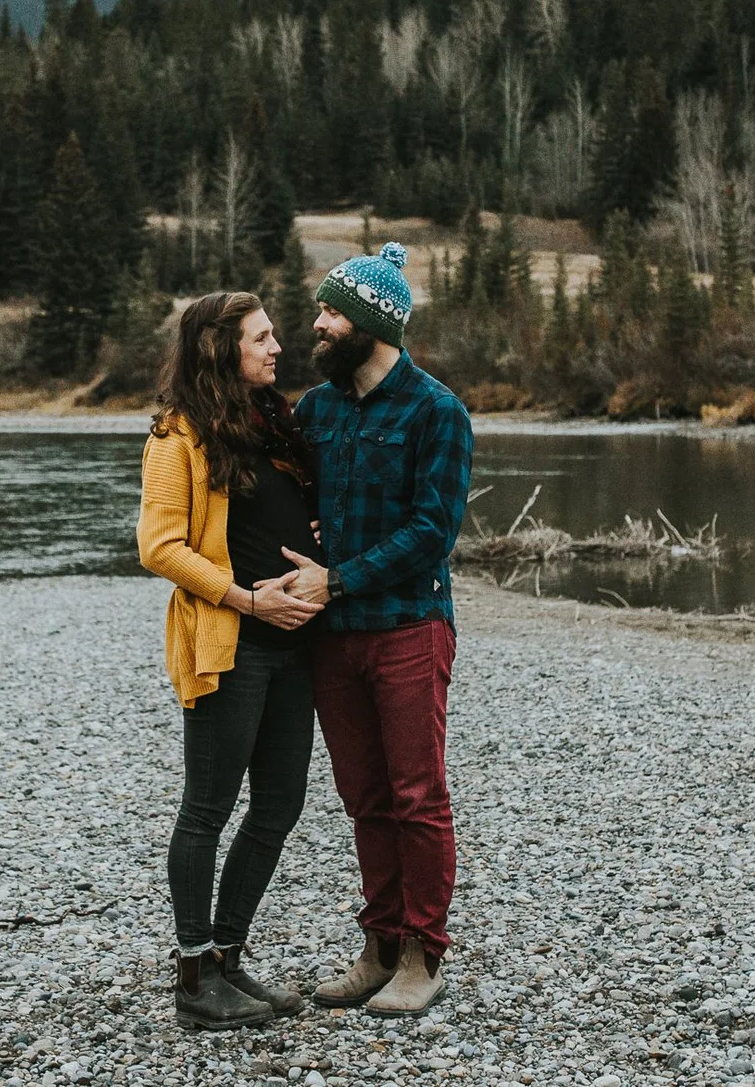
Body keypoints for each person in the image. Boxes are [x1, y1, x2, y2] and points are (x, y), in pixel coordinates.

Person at [276, 242, 474, 1017]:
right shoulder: (315, 410)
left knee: (417, 793)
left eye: (330, 313)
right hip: (333, 636)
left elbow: (433, 532)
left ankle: (426, 952)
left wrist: (338, 576)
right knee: (364, 797)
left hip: (407, 627)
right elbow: (293, 503)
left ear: (370, 324)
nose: (317, 325)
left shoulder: (437, 410)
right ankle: (379, 946)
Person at [135, 290, 326, 1031]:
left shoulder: (273, 424)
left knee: (280, 803)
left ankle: (227, 955)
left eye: (275, 334)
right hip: (232, 646)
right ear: (220, 347)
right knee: (207, 809)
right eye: (261, 337)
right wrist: (248, 600)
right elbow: (159, 546)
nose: (277, 347)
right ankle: (192, 977)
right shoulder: (175, 436)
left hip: (293, 646)